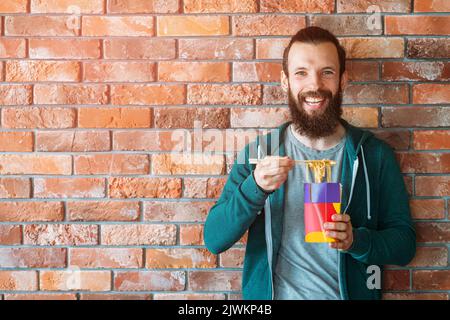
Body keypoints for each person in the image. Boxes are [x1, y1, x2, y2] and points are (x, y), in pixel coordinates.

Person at [203, 26, 416, 300]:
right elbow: (214, 239)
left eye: (327, 72)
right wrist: (254, 187)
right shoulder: (259, 153)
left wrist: (356, 241)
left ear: (343, 80)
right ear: (285, 81)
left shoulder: (373, 156)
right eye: (301, 73)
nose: (314, 85)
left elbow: (404, 246)